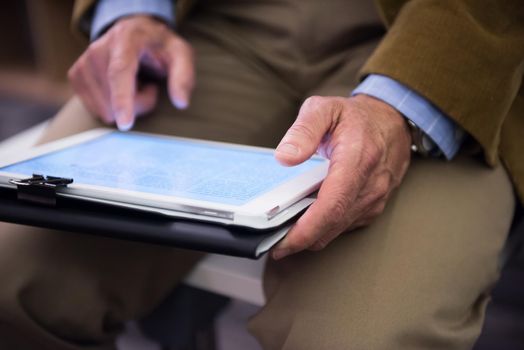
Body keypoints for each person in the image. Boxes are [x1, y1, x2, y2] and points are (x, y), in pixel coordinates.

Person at [0, 0, 522, 349]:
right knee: (12, 277)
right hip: (215, 25)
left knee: (359, 336)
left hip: (444, 44)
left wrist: (402, 106)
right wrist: (130, 11)